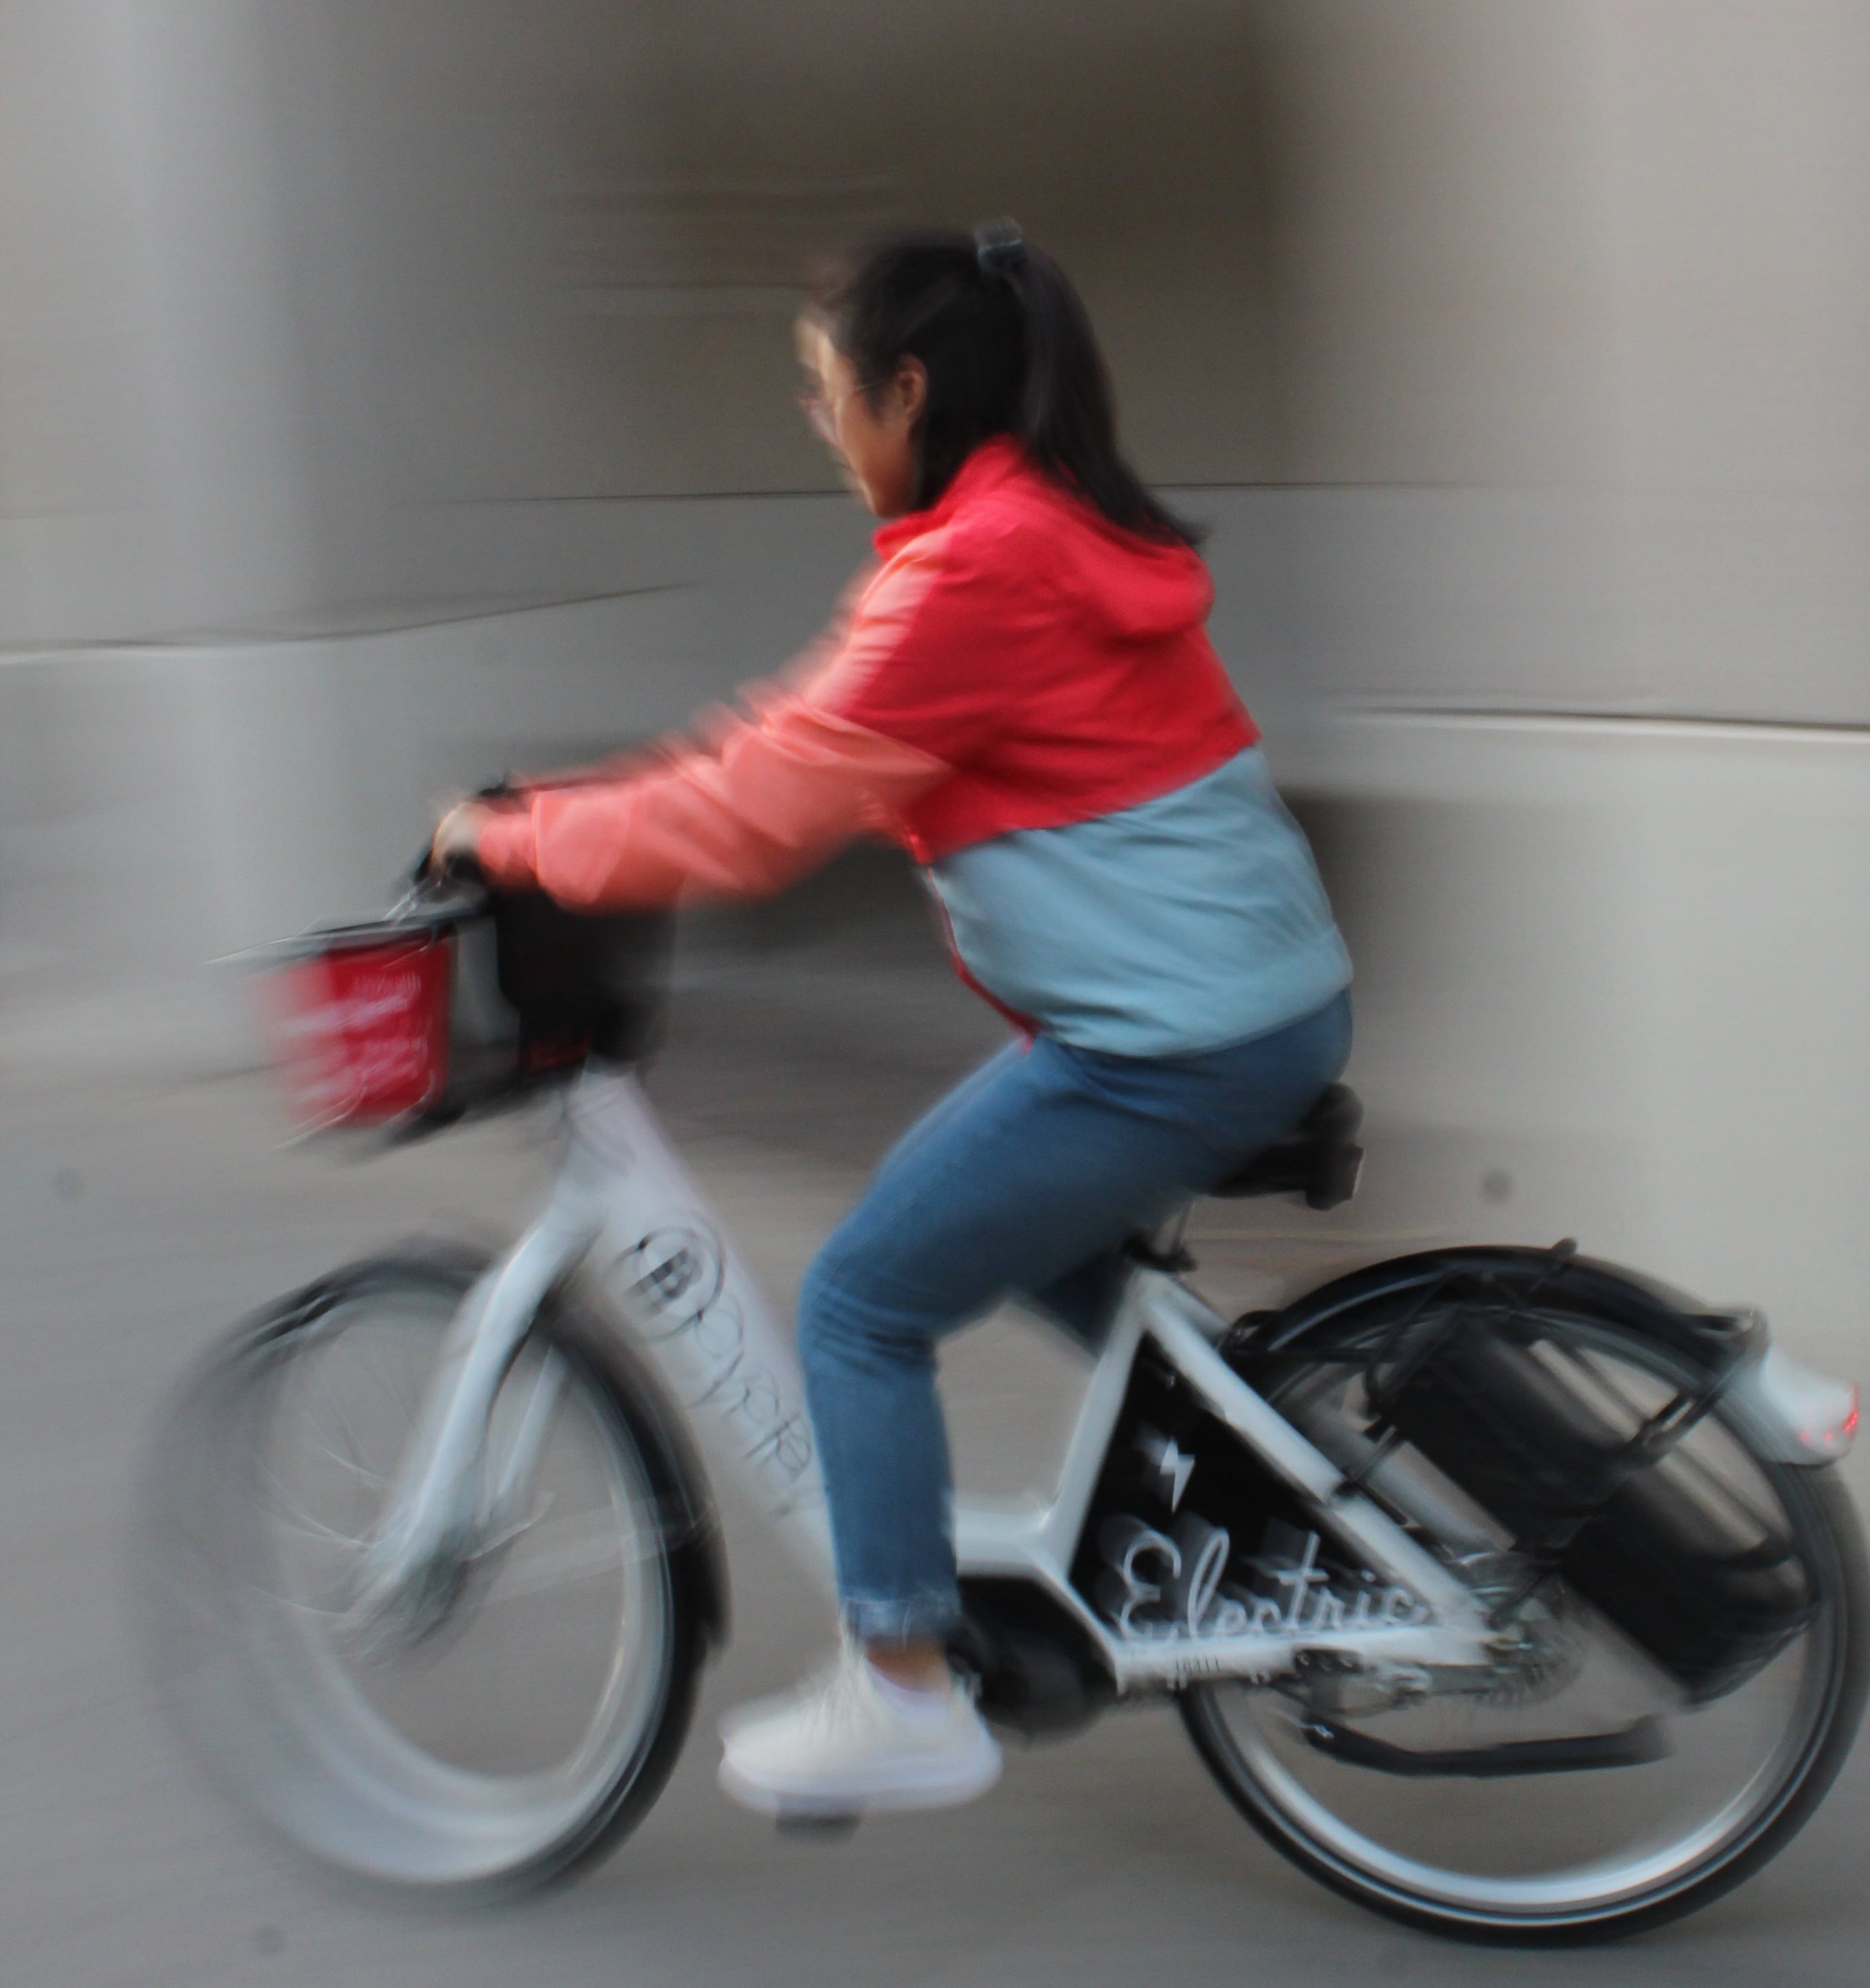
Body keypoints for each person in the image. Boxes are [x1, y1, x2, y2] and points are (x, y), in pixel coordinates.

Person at [432, 222, 1352, 1819]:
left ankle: (902, 1685)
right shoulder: (1039, 526)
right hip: (1241, 1006)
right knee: (1029, 1236)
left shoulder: (975, 572)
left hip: (1165, 1041)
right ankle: (1275, 1476)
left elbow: (759, 818)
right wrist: (567, 809)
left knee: (863, 1298)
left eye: (821, 386)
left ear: (904, 387)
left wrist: (512, 840)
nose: (817, 418)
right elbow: (780, 746)